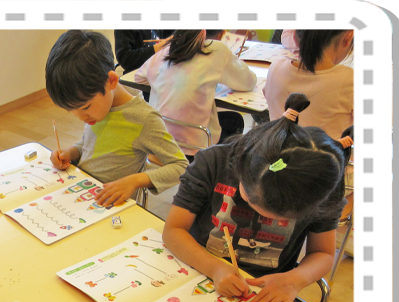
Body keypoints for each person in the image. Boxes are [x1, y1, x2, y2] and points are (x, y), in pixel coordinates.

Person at [162, 93, 351, 302]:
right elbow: (173, 231)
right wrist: (215, 268)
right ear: (241, 166)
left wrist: (295, 279)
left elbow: (322, 253)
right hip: (196, 267)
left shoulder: (322, 190)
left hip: (265, 291)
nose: (264, 217)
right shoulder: (214, 162)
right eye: (251, 200)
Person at [46, 30, 189, 208]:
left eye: (85, 107)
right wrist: (70, 153)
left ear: (111, 81)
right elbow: (89, 143)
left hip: (111, 208)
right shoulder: (96, 112)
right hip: (83, 194)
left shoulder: (144, 118)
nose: (81, 118)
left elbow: (181, 166)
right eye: (71, 111)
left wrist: (135, 181)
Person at [134, 30, 257, 160]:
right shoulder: (218, 49)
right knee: (235, 120)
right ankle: (214, 165)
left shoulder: (168, 49)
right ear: (220, 34)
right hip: (194, 148)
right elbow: (248, 82)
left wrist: (168, 81)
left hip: (158, 141)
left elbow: (139, 77)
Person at [264, 30, 353, 140]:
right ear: (348, 38)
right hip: (326, 151)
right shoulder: (350, 80)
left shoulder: (276, 68)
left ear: (294, 37)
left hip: (276, 149)